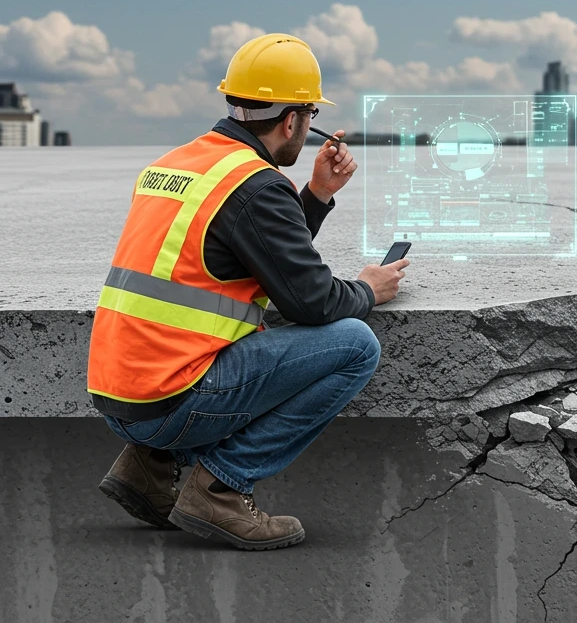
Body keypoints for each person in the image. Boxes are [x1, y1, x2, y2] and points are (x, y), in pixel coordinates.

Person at [88, 33, 410, 550]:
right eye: (309, 120)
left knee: (263, 317)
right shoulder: (256, 185)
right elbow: (315, 301)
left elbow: (260, 260)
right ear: (292, 120)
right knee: (354, 343)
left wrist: (317, 194)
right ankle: (220, 488)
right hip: (171, 404)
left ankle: (148, 468)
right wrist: (370, 288)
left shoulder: (178, 164)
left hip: (119, 396)